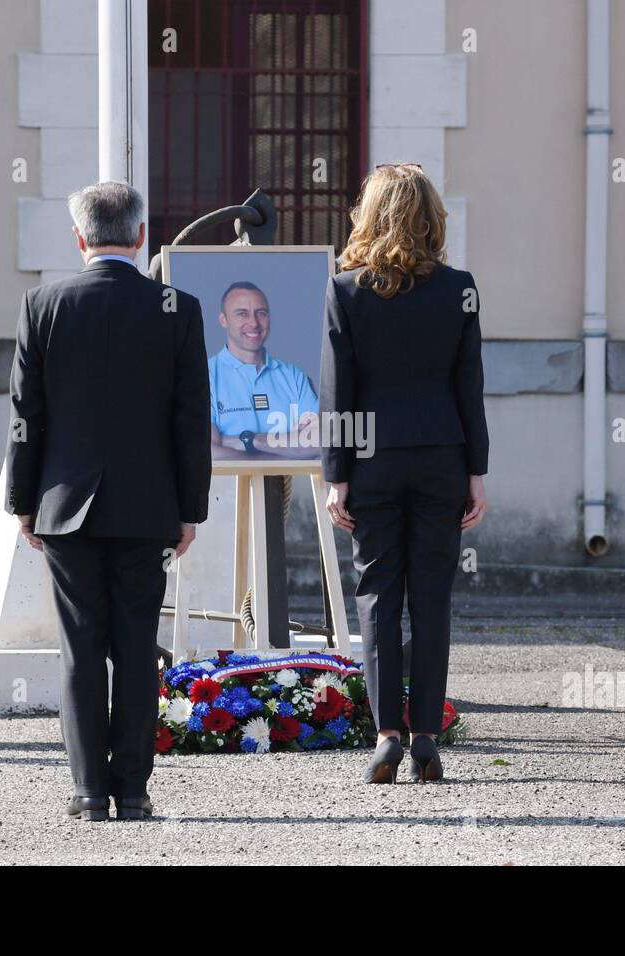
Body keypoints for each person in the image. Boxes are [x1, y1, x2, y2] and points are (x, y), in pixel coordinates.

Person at [5, 181, 211, 822]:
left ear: (79, 237)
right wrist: (190, 509)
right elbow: (190, 418)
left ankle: (90, 791)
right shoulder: (179, 307)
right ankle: (135, 789)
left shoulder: (42, 304)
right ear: (142, 234)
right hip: (148, 505)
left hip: (65, 505)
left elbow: (25, 415)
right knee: (136, 645)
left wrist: (22, 500)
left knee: (81, 649)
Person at [320, 162, 489, 785]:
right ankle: (425, 737)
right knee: (433, 598)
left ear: (370, 214)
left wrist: (337, 475)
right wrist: (476, 471)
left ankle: (387, 735)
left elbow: (339, 393)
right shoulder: (459, 288)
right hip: (442, 456)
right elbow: (470, 387)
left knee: (378, 596)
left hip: (372, 459)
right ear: (431, 217)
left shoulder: (346, 289)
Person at [208, 281, 320, 459]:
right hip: (226, 487)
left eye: (261, 313)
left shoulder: (294, 377)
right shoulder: (205, 377)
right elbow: (209, 452)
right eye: (242, 314)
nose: (253, 323)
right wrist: (287, 449)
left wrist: (251, 441)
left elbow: (319, 442)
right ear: (223, 320)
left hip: (287, 486)